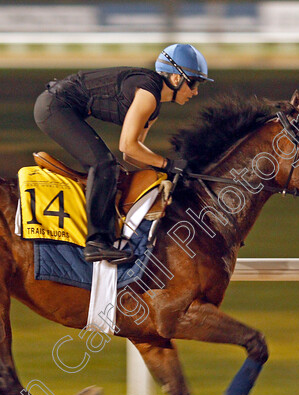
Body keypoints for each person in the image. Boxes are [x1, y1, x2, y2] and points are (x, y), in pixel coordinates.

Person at [34, 43, 211, 265]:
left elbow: (132, 156)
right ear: (177, 78)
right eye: (194, 83)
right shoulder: (148, 94)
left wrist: (165, 170)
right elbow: (127, 145)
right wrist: (168, 163)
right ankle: (97, 242)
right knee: (103, 164)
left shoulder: (153, 103)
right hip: (54, 107)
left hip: (60, 105)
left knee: (111, 166)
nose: (195, 92)